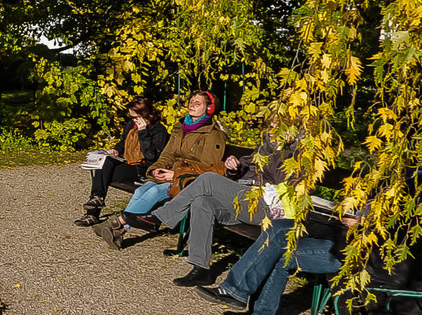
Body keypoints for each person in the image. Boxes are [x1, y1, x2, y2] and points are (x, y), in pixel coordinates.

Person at [122, 114, 302, 284]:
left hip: (267, 208)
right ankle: (201, 269)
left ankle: (159, 218)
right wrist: (235, 164)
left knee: (209, 179)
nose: (270, 130)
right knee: (203, 202)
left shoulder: (299, 154)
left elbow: (282, 181)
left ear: (290, 130)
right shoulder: (267, 143)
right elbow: (248, 164)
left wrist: (280, 150)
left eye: (275, 126)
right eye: (269, 125)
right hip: (244, 199)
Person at [94, 89, 228, 249]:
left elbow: (207, 167)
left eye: (197, 103)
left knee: (154, 192)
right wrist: (156, 169)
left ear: (209, 109)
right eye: (191, 101)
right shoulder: (181, 128)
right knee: (141, 191)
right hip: (172, 174)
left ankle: (116, 225)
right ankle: (120, 230)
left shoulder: (212, 135)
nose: (192, 105)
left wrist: (175, 175)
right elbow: (167, 155)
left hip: (190, 181)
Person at [200, 211, 352, 315]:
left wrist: (362, 221)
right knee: (275, 227)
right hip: (331, 227)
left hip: (345, 248)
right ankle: (242, 297)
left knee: (283, 252)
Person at [75, 97, 169, 226]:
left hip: (143, 170)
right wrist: (116, 150)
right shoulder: (132, 125)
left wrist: (143, 132)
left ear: (145, 115)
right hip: (129, 164)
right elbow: (123, 142)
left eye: (135, 117)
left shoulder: (159, 130)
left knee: (103, 175)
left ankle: (94, 210)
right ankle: (96, 200)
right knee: (104, 163)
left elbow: (151, 156)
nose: (132, 120)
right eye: (131, 117)